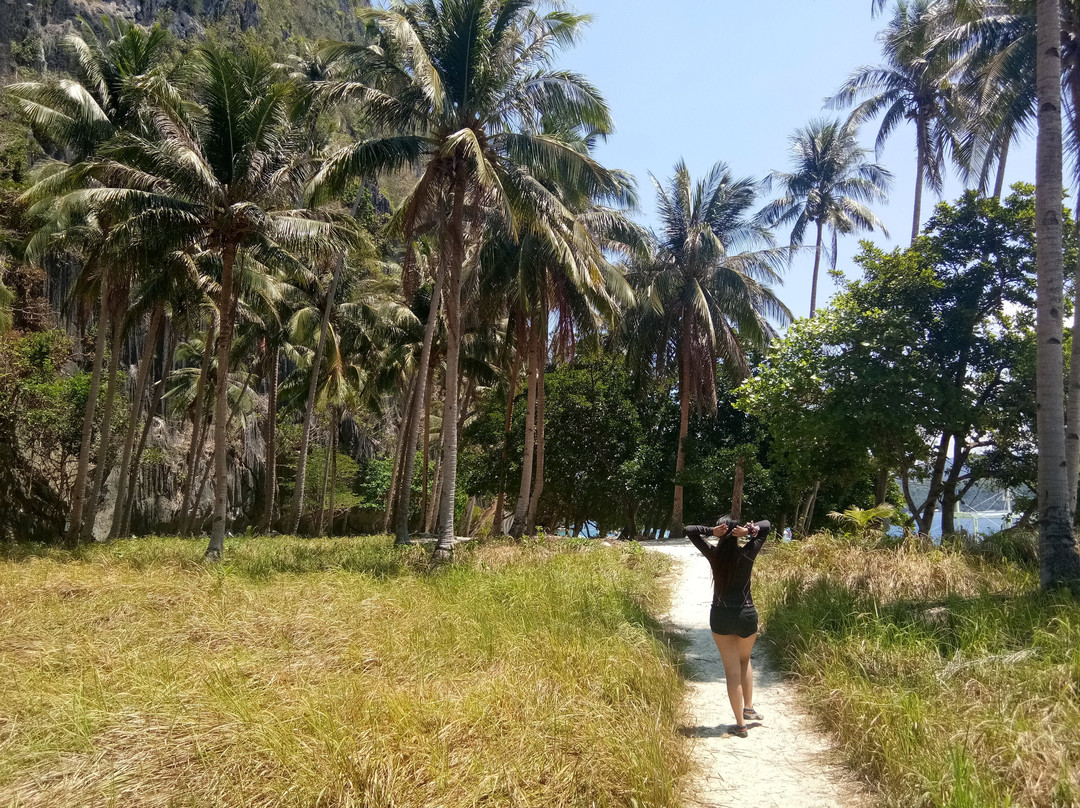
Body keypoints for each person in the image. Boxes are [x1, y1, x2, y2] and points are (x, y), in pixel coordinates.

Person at [684, 515, 771, 738]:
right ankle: (749, 708)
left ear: (721, 534)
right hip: (746, 615)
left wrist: (710, 531)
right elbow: (766, 526)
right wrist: (749, 531)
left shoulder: (714, 555)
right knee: (745, 661)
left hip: (721, 616)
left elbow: (690, 529)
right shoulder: (747, 553)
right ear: (736, 533)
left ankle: (740, 724)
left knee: (732, 671)